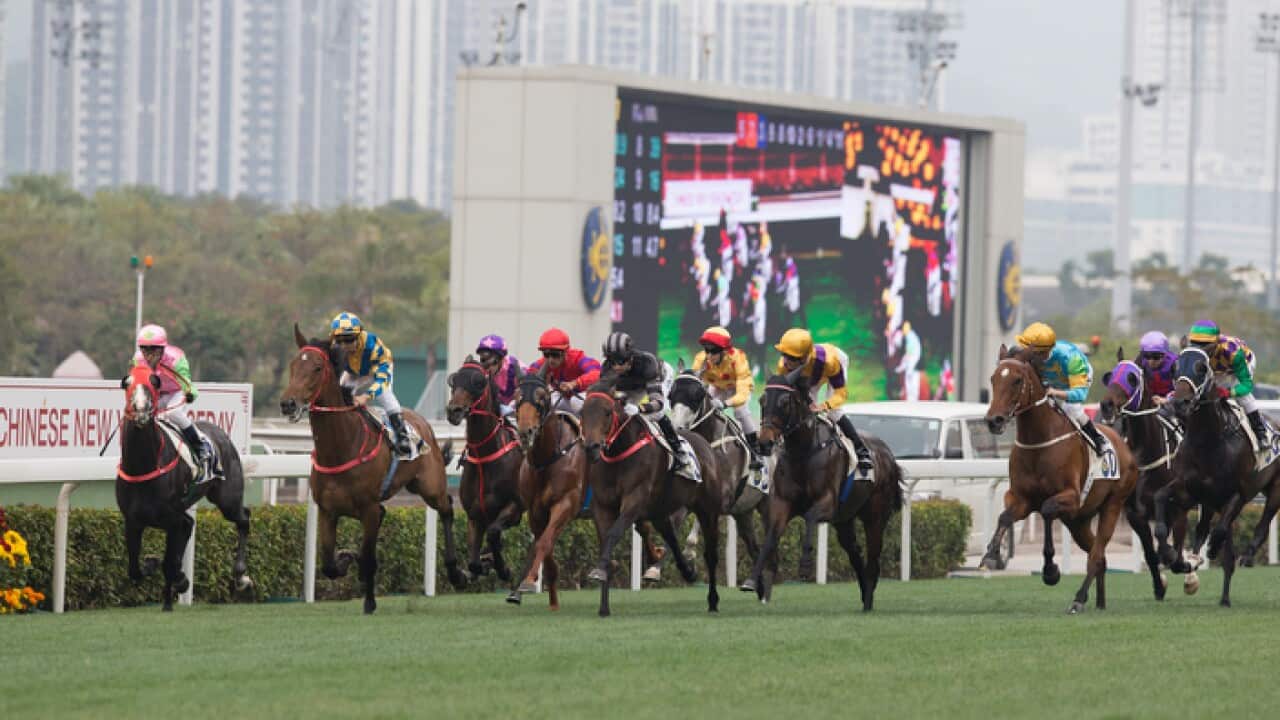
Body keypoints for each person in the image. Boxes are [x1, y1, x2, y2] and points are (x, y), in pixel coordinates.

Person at [773, 328, 874, 475]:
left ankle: (861, 451)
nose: (786, 361)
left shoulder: (830, 362)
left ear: (803, 358)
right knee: (802, 409)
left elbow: (841, 393)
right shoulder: (783, 366)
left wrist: (823, 406)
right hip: (809, 375)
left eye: (791, 358)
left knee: (834, 412)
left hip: (829, 368)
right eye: (784, 355)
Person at [131, 324, 214, 498]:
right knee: (142, 416)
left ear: (163, 349)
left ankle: (200, 446)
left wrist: (190, 393)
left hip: (176, 392)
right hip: (158, 394)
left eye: (153, 349)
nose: (148, 354)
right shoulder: (138, 359)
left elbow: (186, 382)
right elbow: (136, 380)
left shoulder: (176, 359)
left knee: (172, 414)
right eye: (144, 349)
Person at [600, 332, 693, 477]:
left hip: (658, 378)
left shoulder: (648, 365)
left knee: (657, 414)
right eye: (612, 361)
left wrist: (639, 408)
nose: (615, 367)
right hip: (632, 386)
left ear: (630, 358)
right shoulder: (606, 369)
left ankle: (679, 451)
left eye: (620, 361)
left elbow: (658, 403)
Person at [1015, 322, 1107, 457]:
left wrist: (1055, 392)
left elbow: (1079, 395)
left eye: (1028, 351)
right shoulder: (1034, 357)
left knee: (1071, 408)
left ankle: (1098, 439)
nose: (1025, 354)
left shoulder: (1071, 358)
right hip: (1053, 381)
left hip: (1076, 381)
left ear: (1042, 353)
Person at [329, 312, 411, 456]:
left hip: (377, 372)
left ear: (359, 334)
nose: (344, 345)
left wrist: (366, 396)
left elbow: (382, 380)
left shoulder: (373, 346)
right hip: (353, 372)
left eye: (348, 340)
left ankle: (403, 437)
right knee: (339, 394)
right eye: (339, 340)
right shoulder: (334, 347)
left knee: (387, 399)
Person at [692, 326, 765, 470]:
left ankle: (755, 451)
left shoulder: (738, 358)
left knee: (740, 411)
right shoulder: (701, 359)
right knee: (701, 408)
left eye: (713, 351)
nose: (709, 356)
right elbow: (694, 381)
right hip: (717, 387)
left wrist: (725, 404)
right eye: (707, 350)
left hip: (736, 388)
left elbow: (742, 395)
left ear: (724, 351)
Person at [1186, 320, 1268, 441]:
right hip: (1216, 369)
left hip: (1241, 364)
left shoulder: (1233, 353)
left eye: (1204, 344)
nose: (1199, 348)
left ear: (1216, 342)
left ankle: (1260, 432)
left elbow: (1247, 385)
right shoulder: (1192, 353)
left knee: (1243, 396)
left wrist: (1228, 392)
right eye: (1195, 343)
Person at [525, 328, 601, 413]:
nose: (550, 360)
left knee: (575, 402)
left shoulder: (578, 358)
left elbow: (597, 373)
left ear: (566, 352)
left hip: (582, 397)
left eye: (555, 355)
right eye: (546, 354)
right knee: (546, 402)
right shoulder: (542, 364)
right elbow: (528, 377)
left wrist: (574, 383)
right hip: (562, 398)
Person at [475, 334, 522, 417]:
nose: (487, 366)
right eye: (483, 359)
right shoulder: (482, 374)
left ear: (501, 358)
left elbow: (527, 395)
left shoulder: (516, 369)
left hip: (518, 415)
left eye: (491, 361)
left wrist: (511, 408)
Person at [1136, 330, 1177, 403]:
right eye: (1147, 356)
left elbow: (1182, 391)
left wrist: (1167, 400)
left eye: (1156, 357)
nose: (1151, 361)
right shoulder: (1140, 362)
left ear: (1165, 354)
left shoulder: (1174, 364)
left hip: (1169, 403)